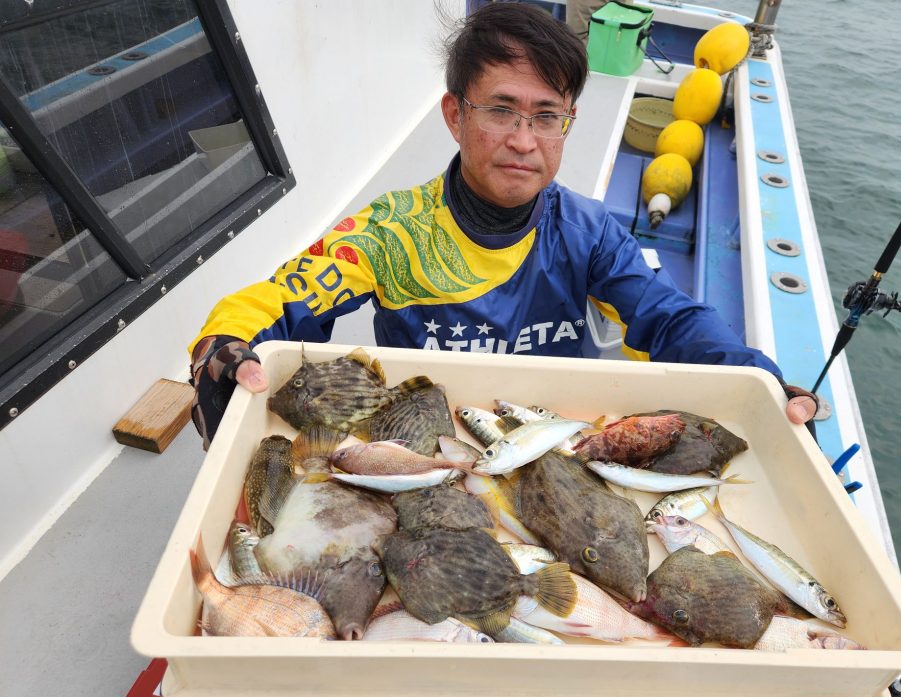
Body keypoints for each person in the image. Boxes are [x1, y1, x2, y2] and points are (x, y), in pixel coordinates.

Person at [188, 3, 816, 451]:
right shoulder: (390, 232)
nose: (524, 141)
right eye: (501, 111)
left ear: (568, 123)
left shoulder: (589, 232)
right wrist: (222, 347)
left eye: (547, 116)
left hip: (552, 440)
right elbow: (282, 297)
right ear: (454, 114)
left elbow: (670, 318)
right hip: (422, 446)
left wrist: (760, 378)